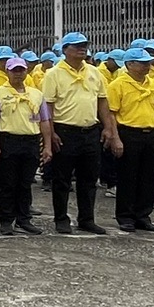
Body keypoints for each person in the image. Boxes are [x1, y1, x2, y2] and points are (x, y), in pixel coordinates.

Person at [39, 34, 115, 237]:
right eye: (77, 46)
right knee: (62, 179)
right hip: (65, 131)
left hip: (90, 130)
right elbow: (48, 106)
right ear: (65, 50)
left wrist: (108, 128)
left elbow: (102, 101)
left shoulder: (94, 72)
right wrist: (51, 133)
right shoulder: (54, 74)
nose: (82, 49)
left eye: (84, 46)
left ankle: (87, 219)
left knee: (89, 179)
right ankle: (61, 219)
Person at [102, 47, 154, 233]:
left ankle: (143, 216)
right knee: (128, 177)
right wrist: (115, 138)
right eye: (142, 63)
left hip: (152, 133)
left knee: (148, 177)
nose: (147, 66)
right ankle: (125, 216)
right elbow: (111, 114)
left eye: (148, 62)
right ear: (129, 64)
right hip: (128, 133)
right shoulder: (117, 85)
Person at [0, 57, 45, 237]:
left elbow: (45, 120)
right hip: (8, 140)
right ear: (7, 72)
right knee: (8, 183)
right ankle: (6, 220)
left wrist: (47, 145)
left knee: (25, 183)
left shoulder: (36, 94)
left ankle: (23, 219)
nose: (18, 74)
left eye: (21, 70)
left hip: (31, 140)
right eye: (14, 70)